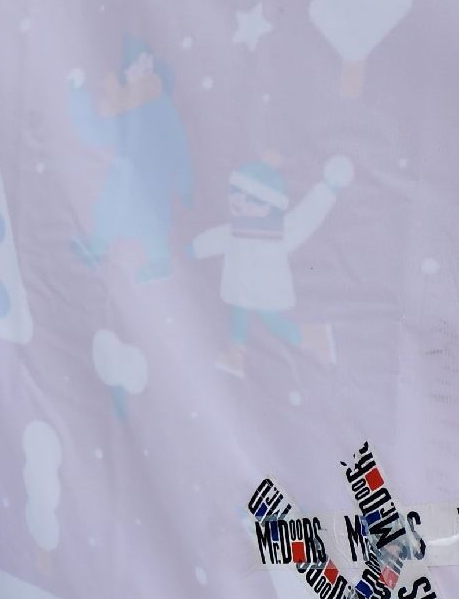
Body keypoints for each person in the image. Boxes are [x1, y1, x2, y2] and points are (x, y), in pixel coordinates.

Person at [190, 157, 351, 377]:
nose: (239, 202)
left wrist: (328, 189)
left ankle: (314, 336)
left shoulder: (279, 233)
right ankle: (236, 357)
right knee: (238, 315)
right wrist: (194, 249)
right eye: (236, 193)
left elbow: (306, 217)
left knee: (273, 324)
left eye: (252, 200)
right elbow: (215, 239)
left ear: (269, 206)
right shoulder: (236, 230)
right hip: (241, 288)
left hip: (264, 291)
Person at [66, 36, 196, 283]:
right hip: (122, 179)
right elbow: (97, 133)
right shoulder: (122, 107)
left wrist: (185, 183)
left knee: (151, 223)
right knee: (109, 213)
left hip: (152, 180)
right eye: (137, 64)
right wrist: (77, 96)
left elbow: (178, 145)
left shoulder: (161, 106)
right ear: (127, 71)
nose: (143, 68)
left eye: (147, 63)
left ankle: (160, 261)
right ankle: (96, 249)